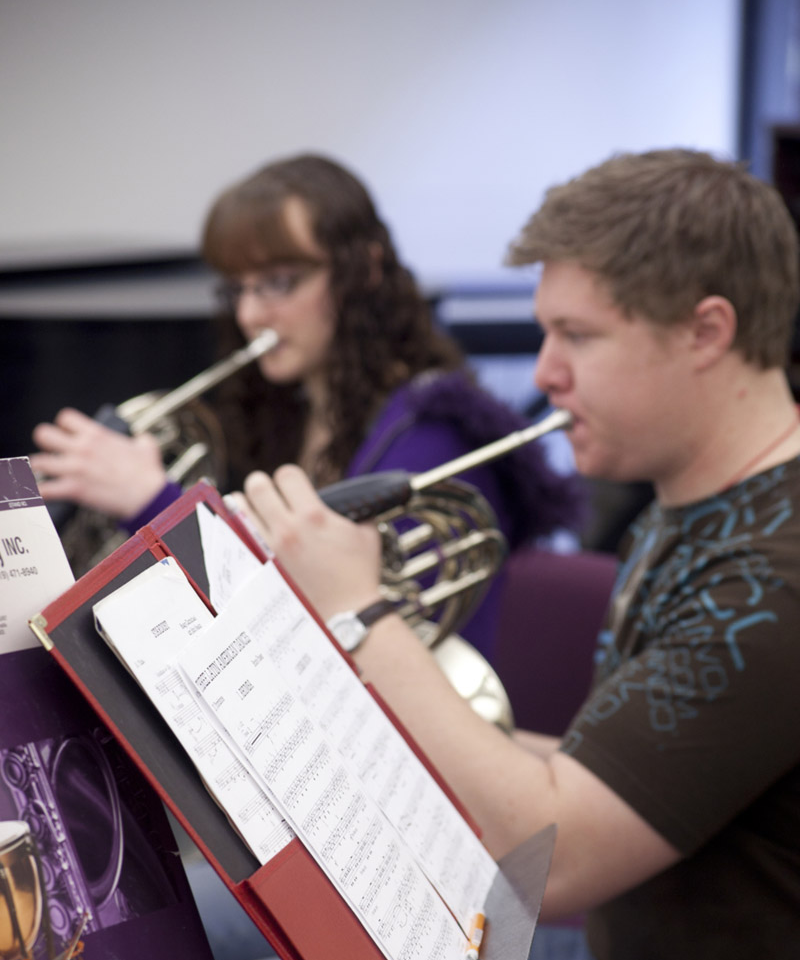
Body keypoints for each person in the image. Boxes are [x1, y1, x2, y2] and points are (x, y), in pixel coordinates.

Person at [152, 148, 800, 960]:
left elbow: (567, 853)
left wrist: (361, 614)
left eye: (575, 337)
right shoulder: (688, 506)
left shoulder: (773, 571)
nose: (541, 372)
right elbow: (608, 769)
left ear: (705, 332)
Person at [29, 153, 583, 663]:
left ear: (362, 270)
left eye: (278, 283)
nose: (250, 314)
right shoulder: (292, 416)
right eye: (238, 289)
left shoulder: (437, 432)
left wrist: (152, 501)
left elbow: (320, 636)